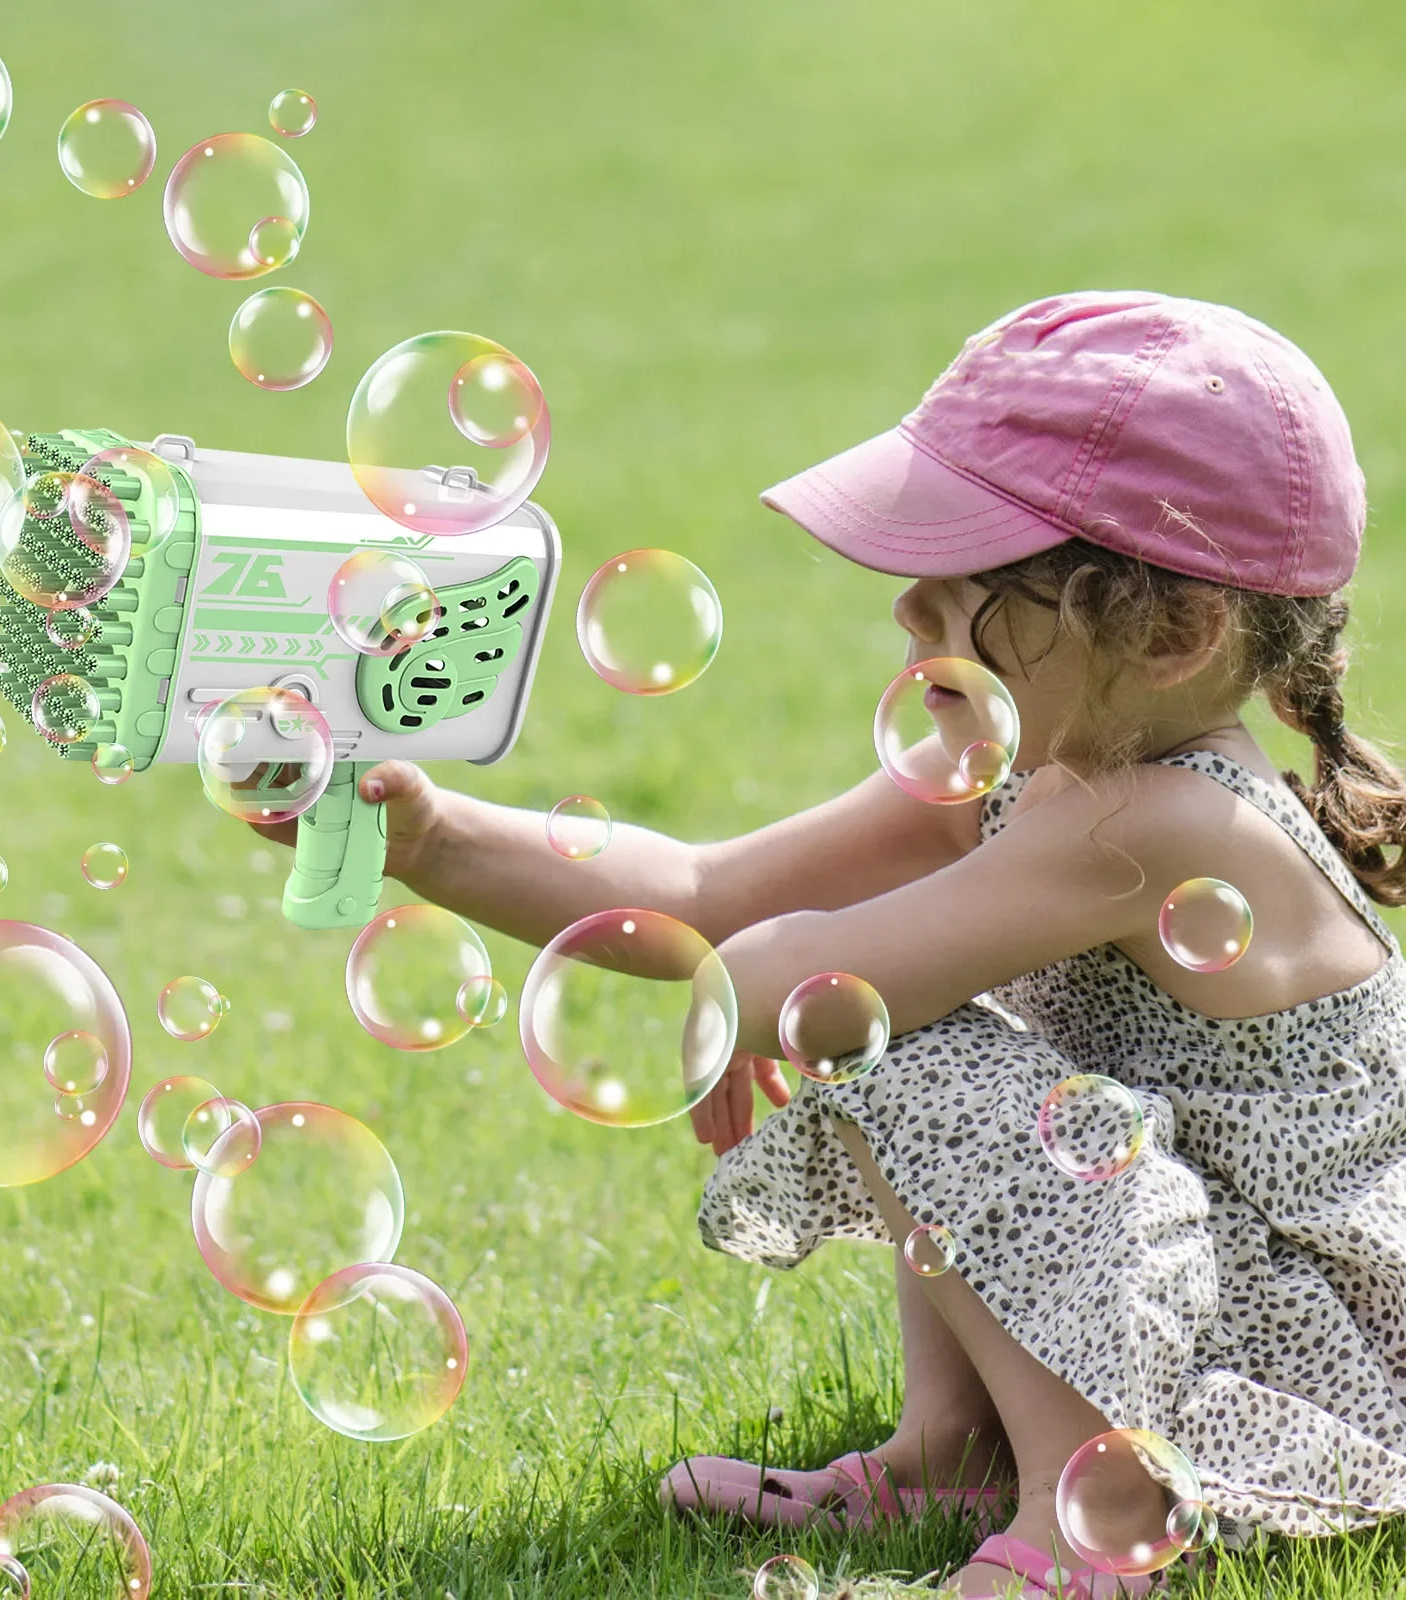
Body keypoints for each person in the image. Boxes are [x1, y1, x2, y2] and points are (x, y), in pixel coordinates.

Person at [259, 291, 1406, 1597]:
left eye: (966, 577)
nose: (913, 609)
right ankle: (951, 1455)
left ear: (1169, 636)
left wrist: (777, 989)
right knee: (924, 1047)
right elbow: (706, 888)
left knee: (905, 1046)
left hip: (1321, 1333)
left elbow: (787, 980)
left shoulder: (1153, 822)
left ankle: (1092, 1512)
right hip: (1193, 1255)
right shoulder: (1036, 760)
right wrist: (430, 836)